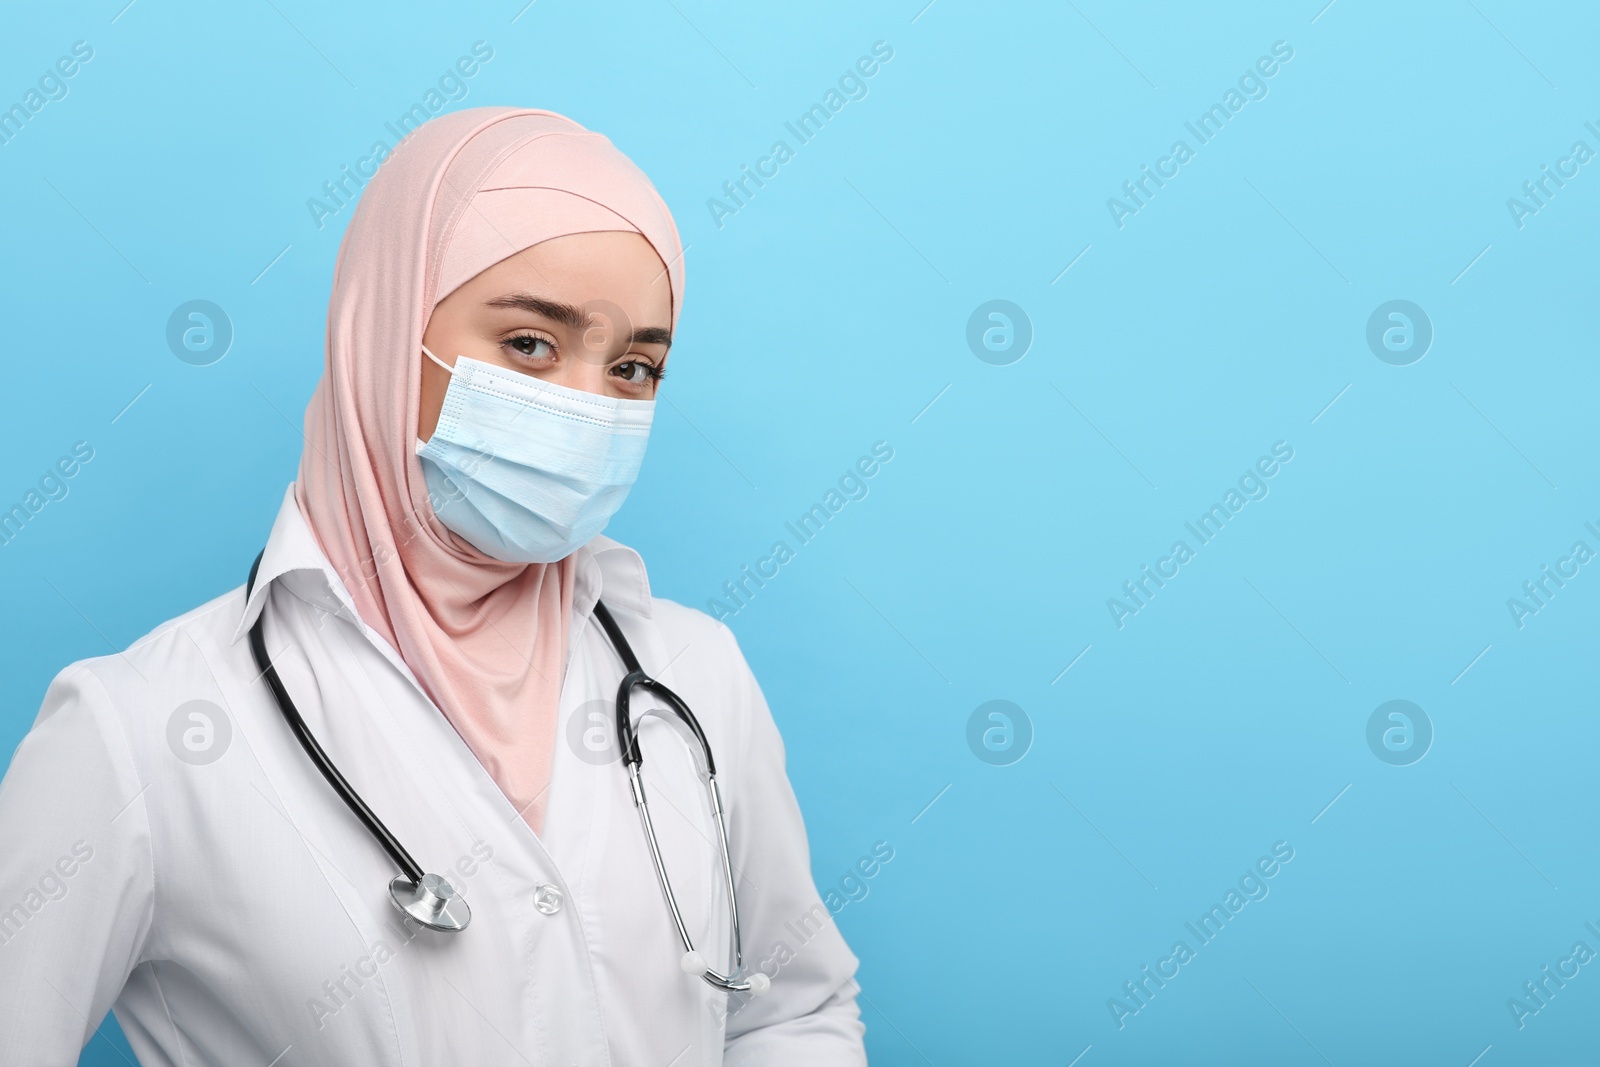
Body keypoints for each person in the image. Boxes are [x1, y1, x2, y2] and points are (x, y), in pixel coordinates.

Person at [0, 107, 866, 1065]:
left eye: (632, 367)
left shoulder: (694, 674)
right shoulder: (138, 730)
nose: (587, 404)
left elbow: (793, 1010)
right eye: (532, 343)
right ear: (385, 328)